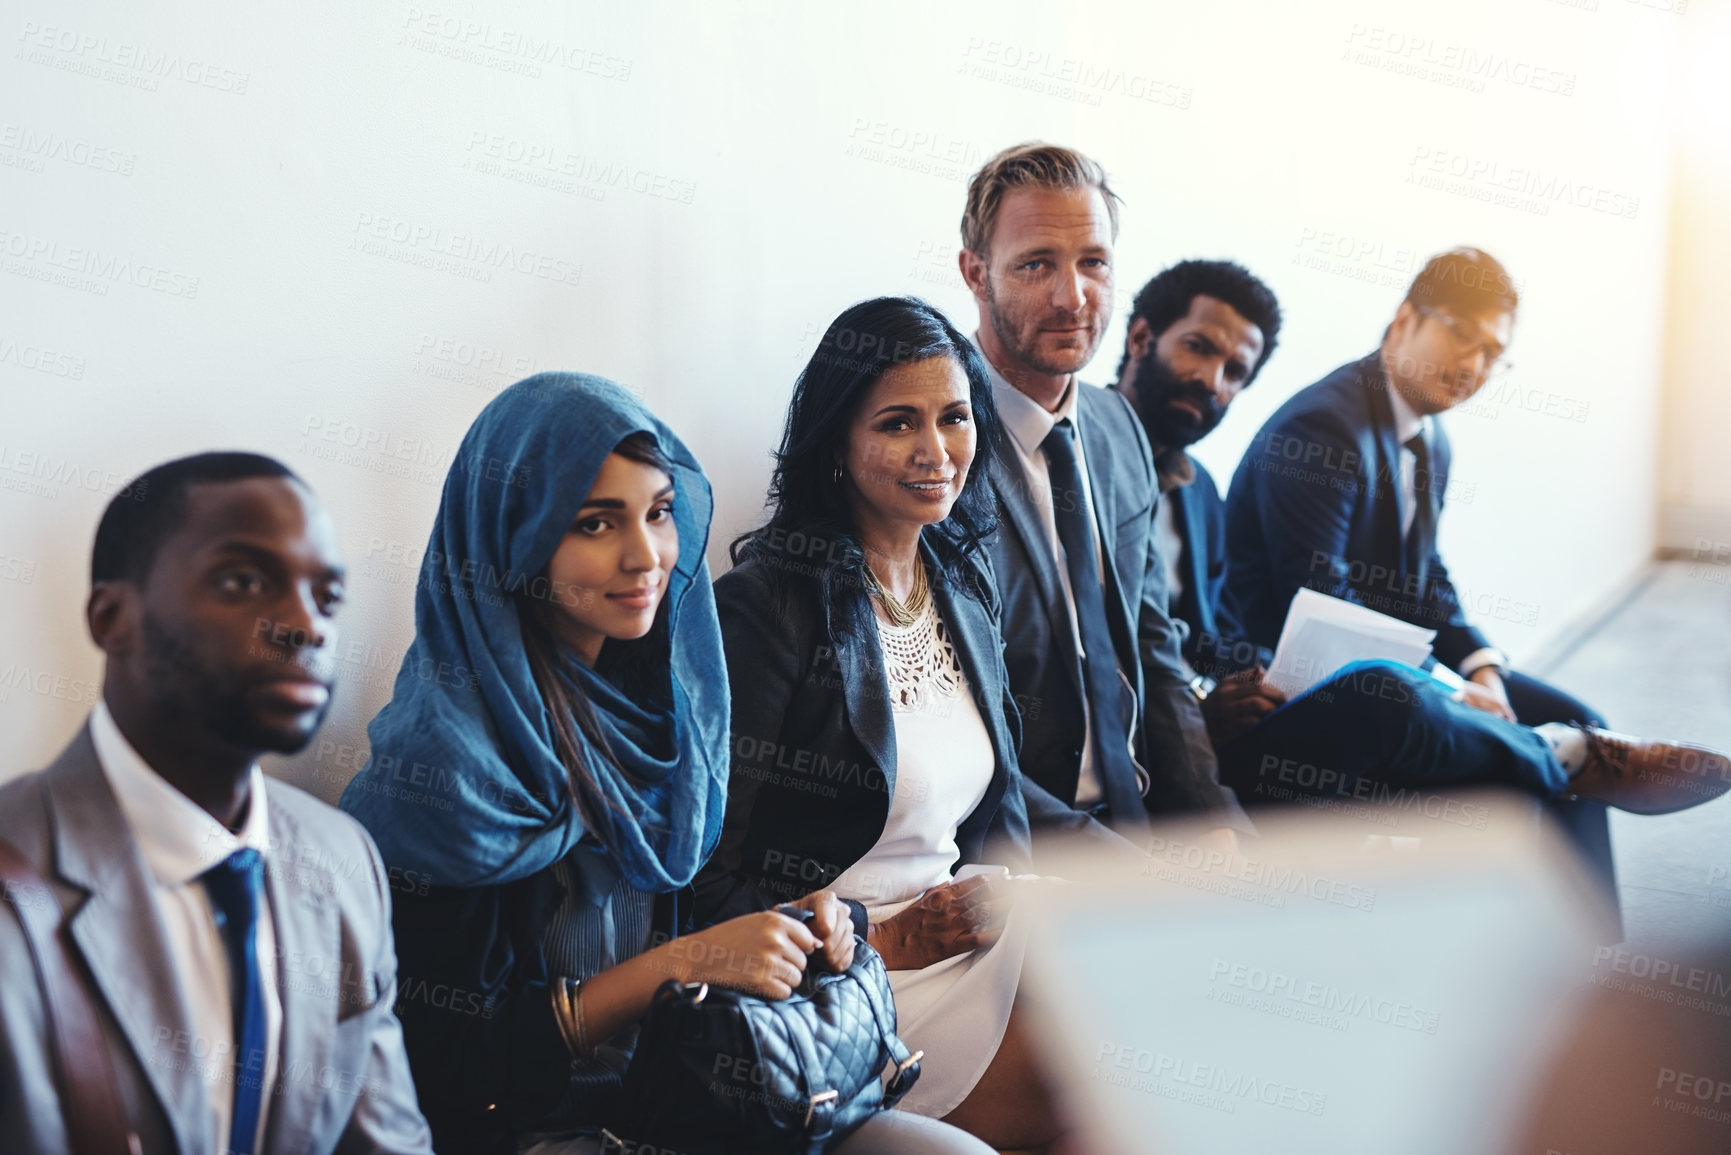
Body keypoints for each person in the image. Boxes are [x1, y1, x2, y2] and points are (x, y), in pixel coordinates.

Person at [339, 373, 992, 1155]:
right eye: (594, 523)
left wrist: (802, 925)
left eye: (657, 512)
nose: (645, 554)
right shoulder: (448, 770)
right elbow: (449, 1068)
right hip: (533, 1129)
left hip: (681, 1093)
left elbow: (698, 929)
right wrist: (681, 963)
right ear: (514, 535)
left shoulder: (654, 719)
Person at [1112, 258, 1731, 833]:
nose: (1474, 364)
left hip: (1251, 694)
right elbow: (1325, 599)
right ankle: (1558, 753)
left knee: (1575, 713)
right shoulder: (1321, 426)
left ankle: (1583, 898)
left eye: (1493, 352)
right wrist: (1455, 692)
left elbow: (1421, 575)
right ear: (1404, 320)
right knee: (1411, 701)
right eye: (1462, 335)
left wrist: (1479, 666)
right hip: (1300, 694)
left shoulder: (1422, 440)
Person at [695, 298, 1061, 1150]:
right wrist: (881, 937)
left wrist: (1000, 895)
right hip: (837, 981)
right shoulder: (765, 610)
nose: (936, 453)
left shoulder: (962, 585)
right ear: (835, 445)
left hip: (967, 944)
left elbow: (996, 818)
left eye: (954, 418)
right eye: (898, 424)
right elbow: (702, 885)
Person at [0, 453, 433, 1154]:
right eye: (244, 581)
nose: (305, 625)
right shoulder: (17, 875)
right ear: (113, 618)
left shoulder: (343, 858)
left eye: (327, 598)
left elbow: (386, 1142)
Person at [954, 141, 1249, 851]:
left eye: (1093, 262)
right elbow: (952, 725)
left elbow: (1153, 643)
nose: (1072, 297)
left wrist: (1212, 821)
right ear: (974, 273)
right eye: (1035, 264)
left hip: (1136, 821)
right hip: (1014, 845)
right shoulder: (938, 440)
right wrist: (1120, 870)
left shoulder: (1117, 428)